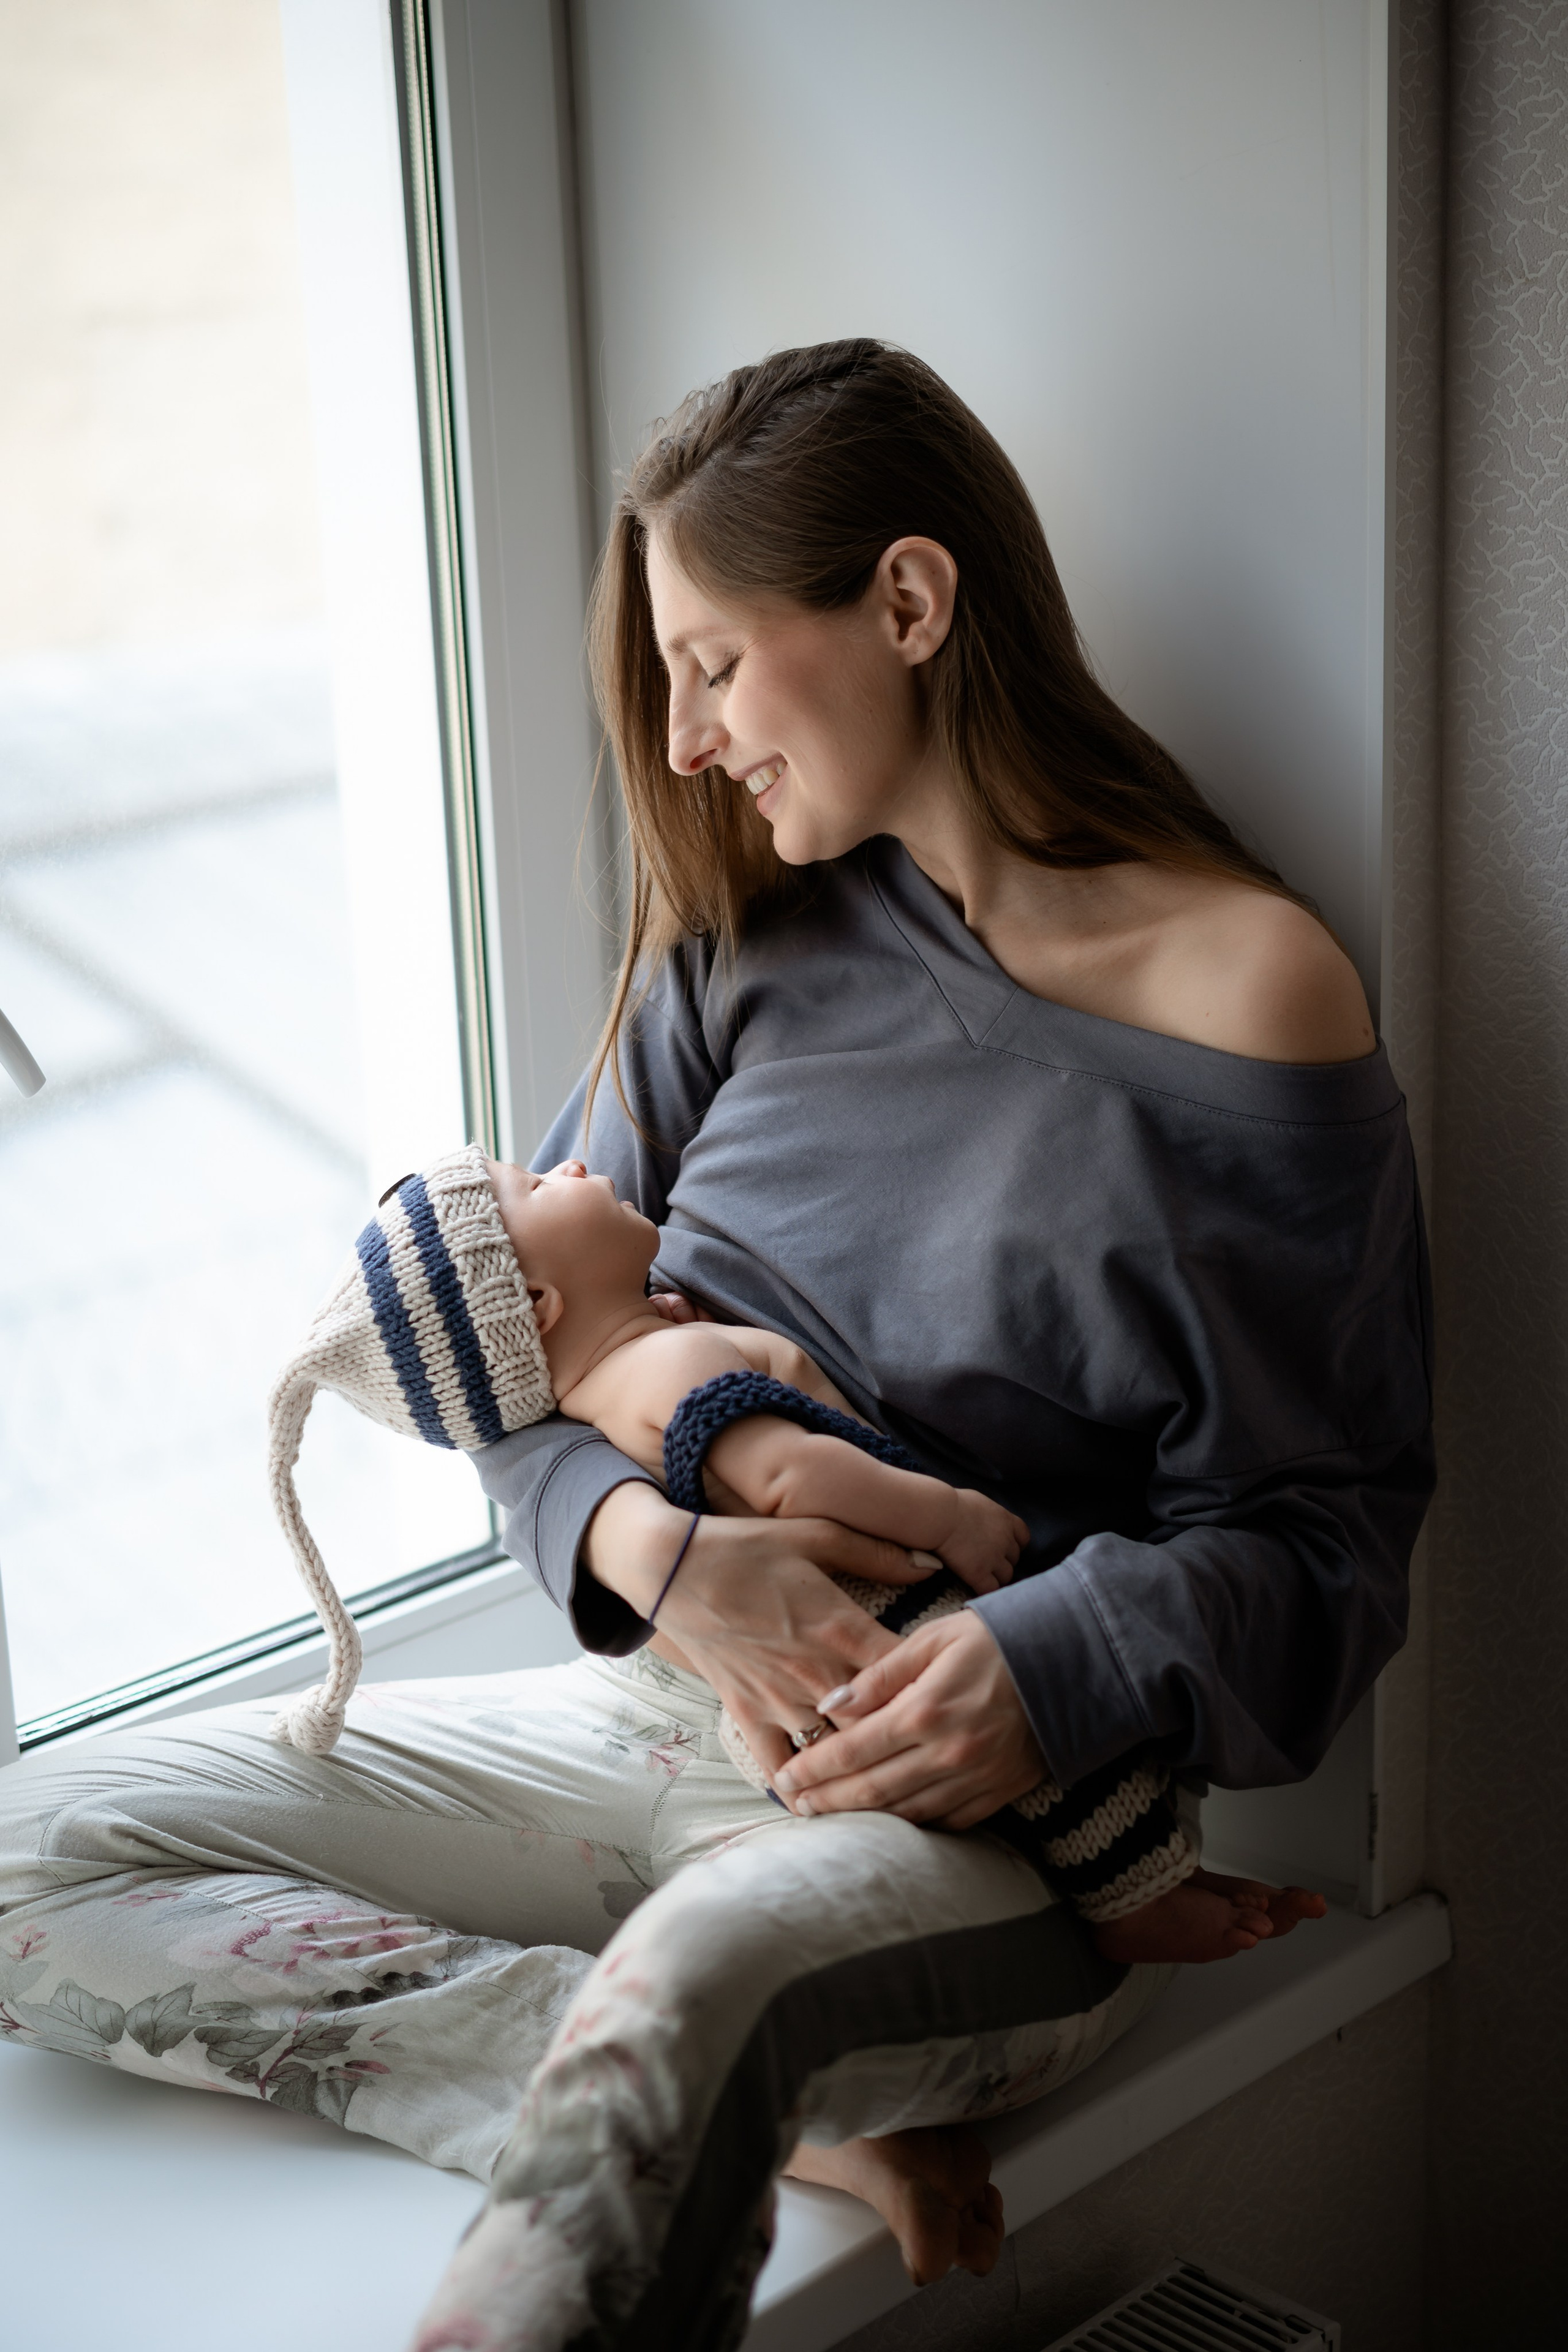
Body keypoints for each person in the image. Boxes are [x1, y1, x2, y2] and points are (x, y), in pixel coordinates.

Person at [0, 342, 1432, 2352]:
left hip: (985, 1834)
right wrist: (661, 1557)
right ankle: (712, 2104)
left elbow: (1328, 1543)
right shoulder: (737, 947)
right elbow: (517, 1363)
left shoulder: (1251, 997)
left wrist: (1038, 1670)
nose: (683, 745)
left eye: (715, 666)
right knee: (28, 1851)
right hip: (648, 1735)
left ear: (912, 607)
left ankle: (688, 2088)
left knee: (703, 1995)